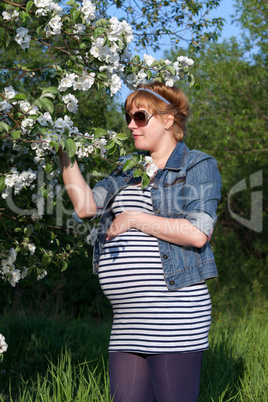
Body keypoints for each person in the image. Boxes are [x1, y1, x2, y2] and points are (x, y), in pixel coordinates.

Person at [59, 81, 222, 402]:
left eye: (140, 117)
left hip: (174, 316)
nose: (131, 125)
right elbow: (85, 206)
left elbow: (198, 231)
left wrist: (135, 218)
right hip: (128, 323)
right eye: (128, 117)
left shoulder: (197, 165)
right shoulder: (127, 170)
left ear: (167, 120)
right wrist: (65, 150)